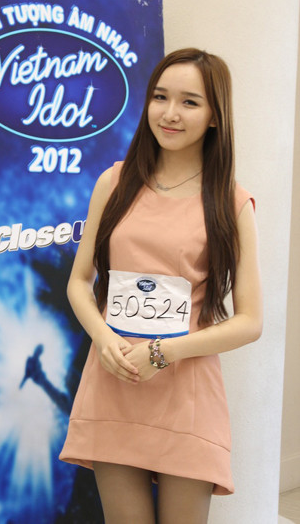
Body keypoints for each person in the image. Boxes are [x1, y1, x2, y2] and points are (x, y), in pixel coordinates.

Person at [59, 48, 263, 524]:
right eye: (160, 97)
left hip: (185, 391)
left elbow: (250, 322)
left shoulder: (231, 202)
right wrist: (103, 337)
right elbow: (79, 282)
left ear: (215, 116)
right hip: (114, 379)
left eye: (190, 102)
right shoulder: (114, 182)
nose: (170, 113)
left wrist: (161, 353)